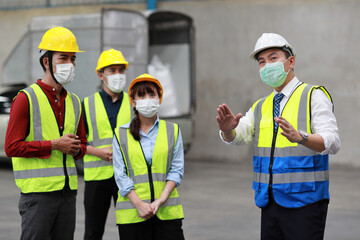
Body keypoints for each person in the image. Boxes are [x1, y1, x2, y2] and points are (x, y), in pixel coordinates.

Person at [216, 33, 340, 240]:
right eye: (261, 62)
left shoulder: (313, 95)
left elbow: (333, 142)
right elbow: (239, 136)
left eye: (273, 58)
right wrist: (228, 130)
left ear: (290, 62)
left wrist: (302, 137)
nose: (266, 66)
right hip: (270, 202)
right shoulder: (261, 106)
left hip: (306, 202)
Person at [5, 26, 87, 240]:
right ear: (46, 62)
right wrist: (53, 145)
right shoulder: (26, 98)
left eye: (73, 58)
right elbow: (12, 147)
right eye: (63, 58)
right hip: (38, 196)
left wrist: (78, 148)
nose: (70, 64)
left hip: (68, 194)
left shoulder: (75, 102)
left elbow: (81, 147)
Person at [112, 73, 185, 240]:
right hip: (133, 214)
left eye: (152, 94)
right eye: (142, 95)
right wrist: (139, 204)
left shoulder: (172, 130)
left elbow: (177, 169)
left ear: (159, 99)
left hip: (166, 212)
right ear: (133, 101)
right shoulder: (121, 134)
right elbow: (120, 174)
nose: (148, 99)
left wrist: (160, 200)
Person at [82, 48, 131, 240]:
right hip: (97, 178)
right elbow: (76, 144)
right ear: (101, 74)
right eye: (112, 70)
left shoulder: (133, 103)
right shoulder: (86, 104)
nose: (118, 75)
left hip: (127, 177)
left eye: (121, 70)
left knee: (130, 230)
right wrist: (98, 152)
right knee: (93, 232)